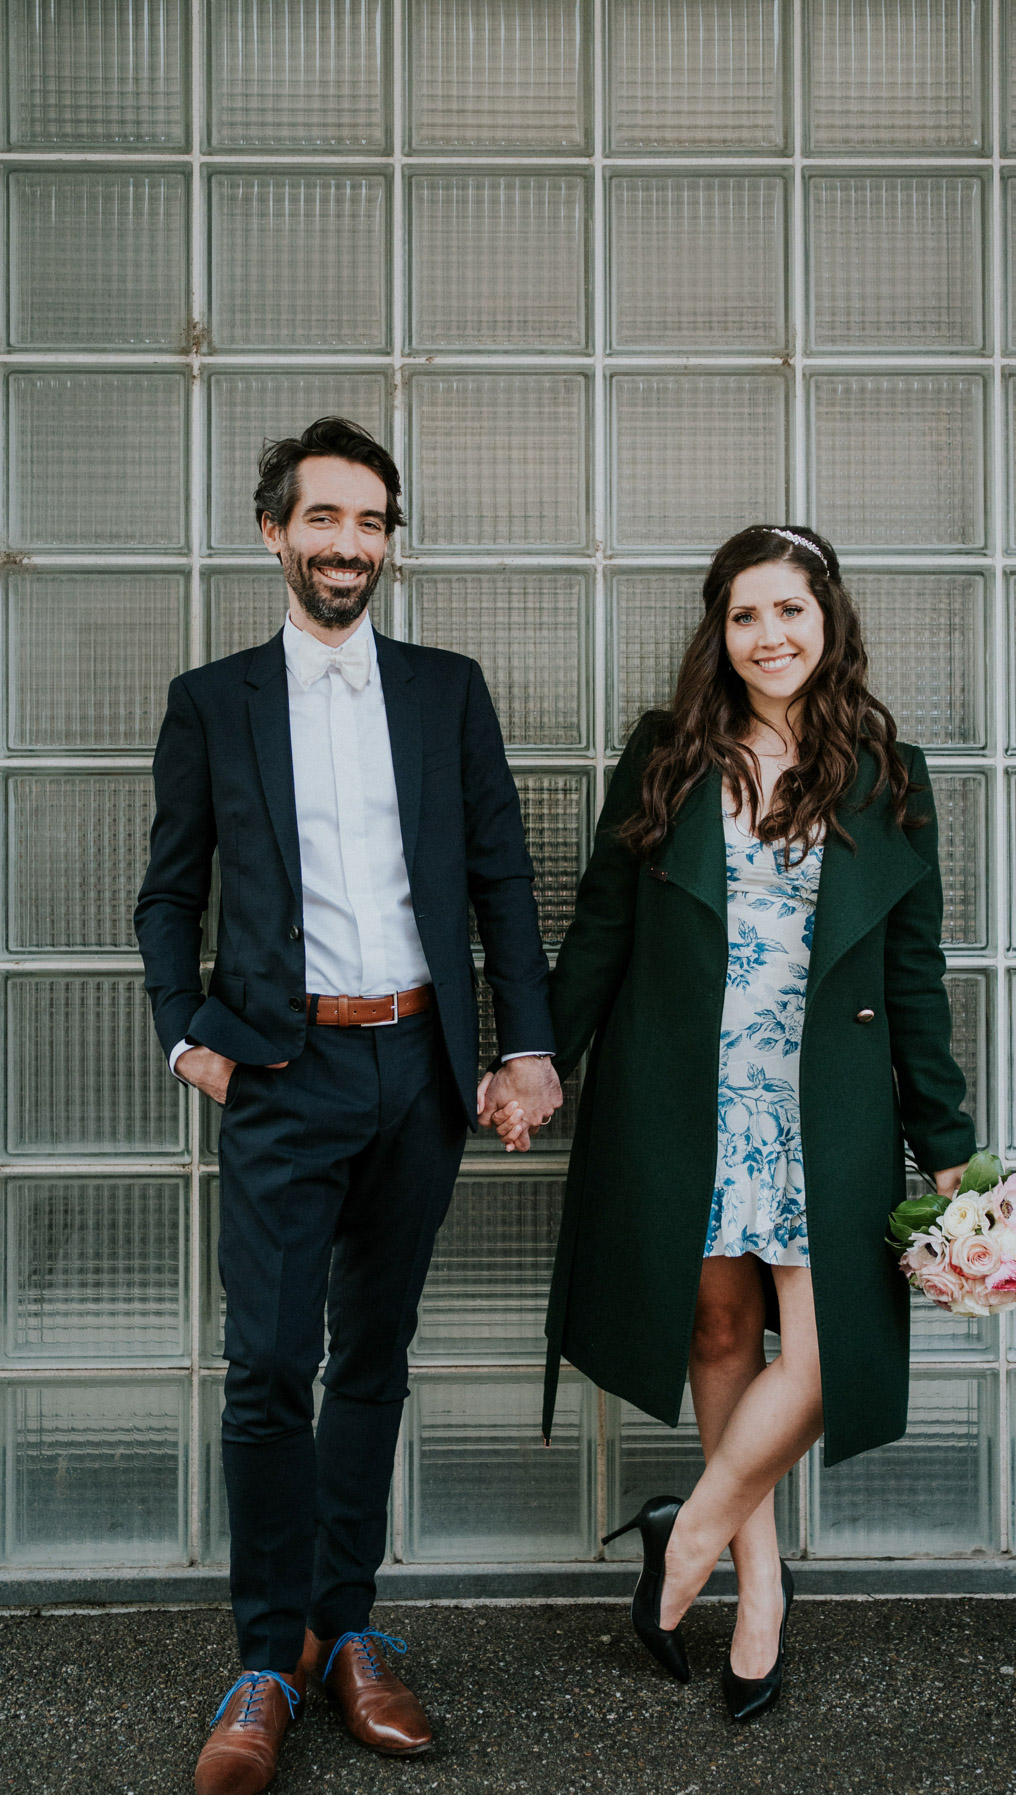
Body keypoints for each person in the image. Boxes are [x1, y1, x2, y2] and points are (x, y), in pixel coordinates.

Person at [135, 416, 561, 1794]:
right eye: (324, 518)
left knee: (371, 1351)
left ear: (387, 540)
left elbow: (500, 883)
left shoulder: (446, 690)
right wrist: (184, 1032)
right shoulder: (214, 700)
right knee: (267, 1362)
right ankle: (263, 1658)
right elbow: (168, 892)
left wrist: (527, 1048)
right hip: (280, 1070)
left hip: (419, 1070)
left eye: (371, 521)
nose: (348, 543)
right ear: (276, 532)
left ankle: (345, 1621)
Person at [533, 523, 974, 1719]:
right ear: (718, 633)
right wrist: (540, 1060)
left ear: (828, 621)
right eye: (744, 615)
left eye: (790, 611)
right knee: (723, 1333)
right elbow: (605, 929)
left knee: (829, 1354)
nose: (769, 635)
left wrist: (949, 1154)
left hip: (818, 1101)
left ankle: (688, 1532)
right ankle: (760, 1596)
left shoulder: (889, 774)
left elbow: (916, 978)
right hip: (685, 1092)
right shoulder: (669, 755)